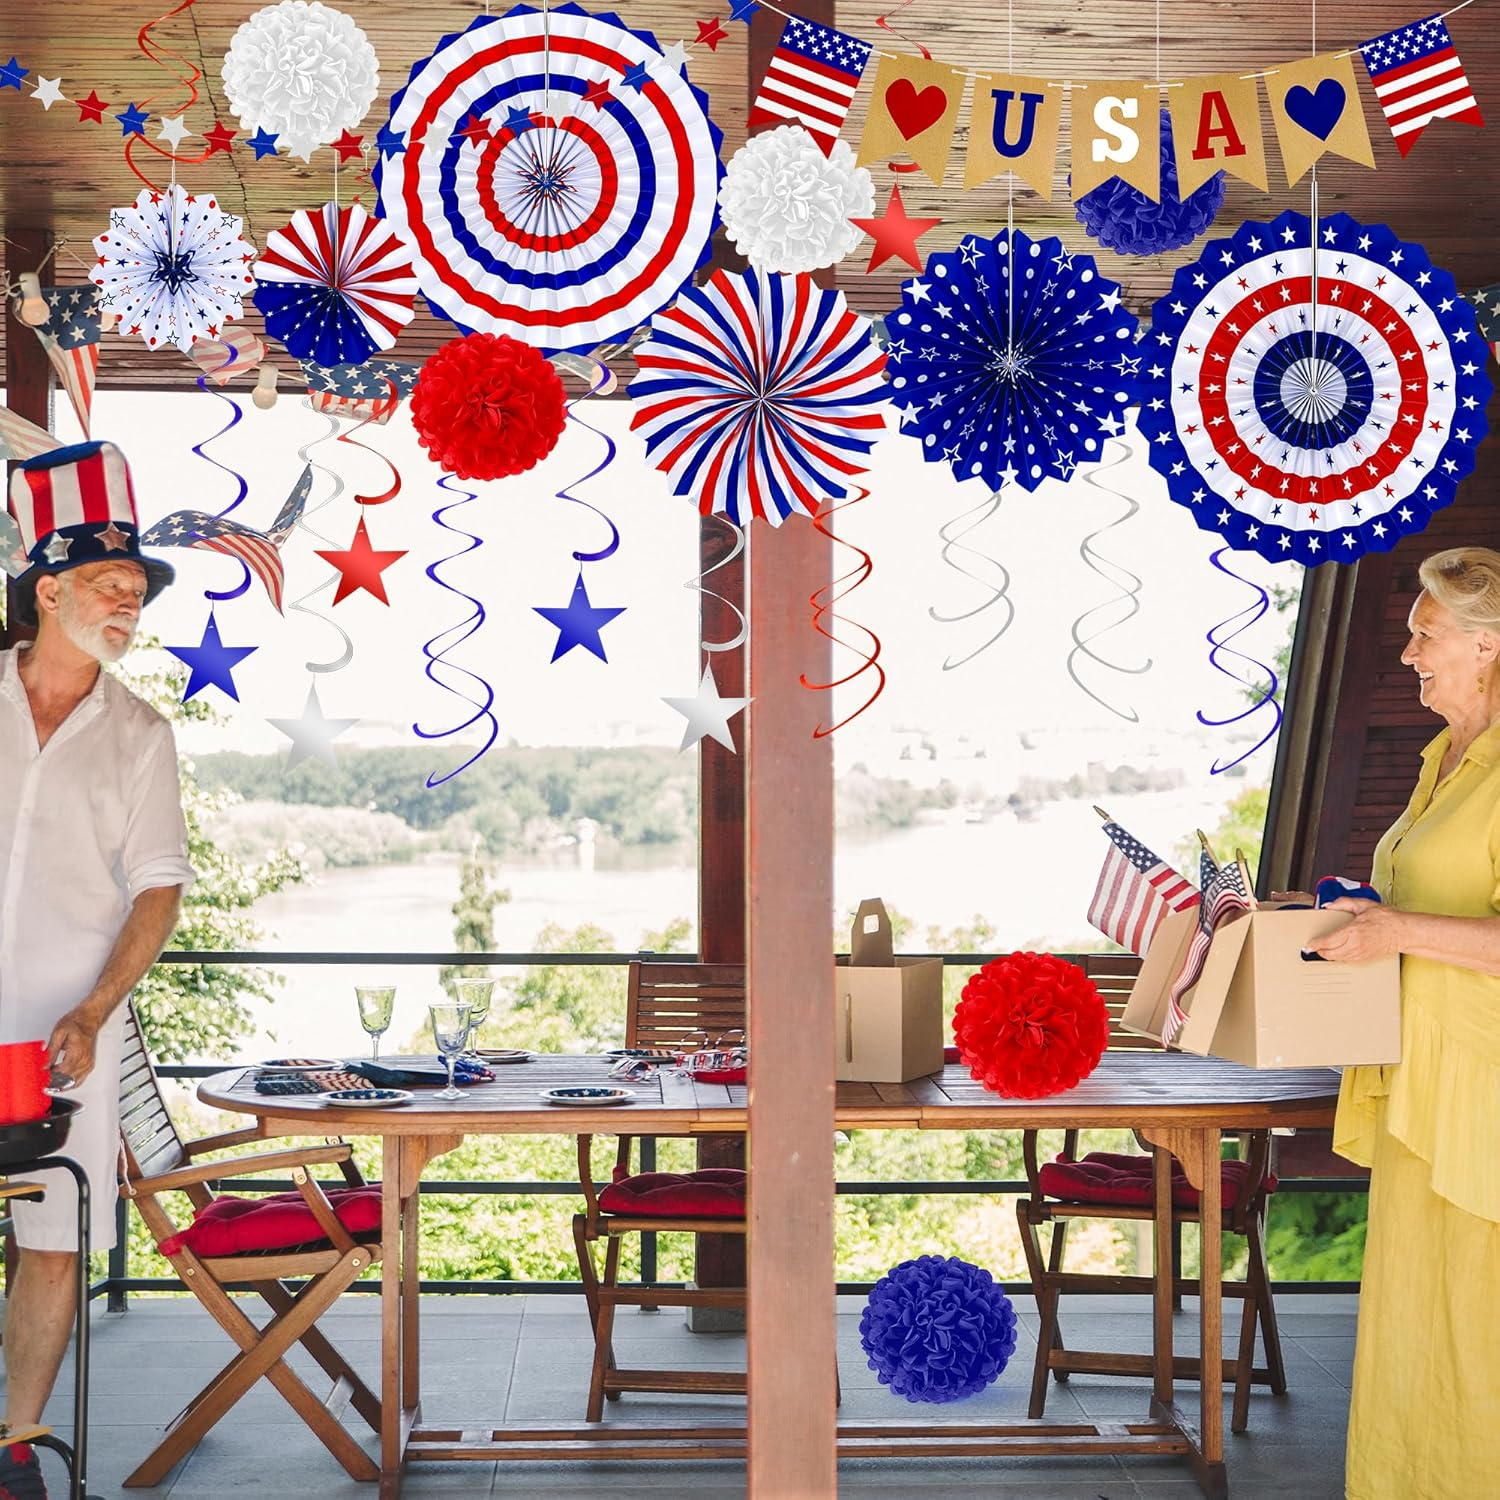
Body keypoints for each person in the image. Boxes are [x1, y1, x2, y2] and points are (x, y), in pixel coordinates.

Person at [0, 442, 193, 1500]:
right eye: (113, 587)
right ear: (49, 587)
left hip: (67, 1035)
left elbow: (158, 888)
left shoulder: (141, 735)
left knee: (52, 1240)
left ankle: (14, 1450)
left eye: (137, 591)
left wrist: (96, 1005)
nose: (131, 605)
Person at [1304, 547, 1500, 1500]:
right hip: (1422, 1087)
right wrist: (1365, 908)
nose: (1410, 654)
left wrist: (1402, 928)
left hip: (1486, 1105)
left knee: (1478, 1338)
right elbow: (1428, 904)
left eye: (1426, 636)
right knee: (1415, 1333)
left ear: (1486, 647)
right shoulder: (1442, 757)